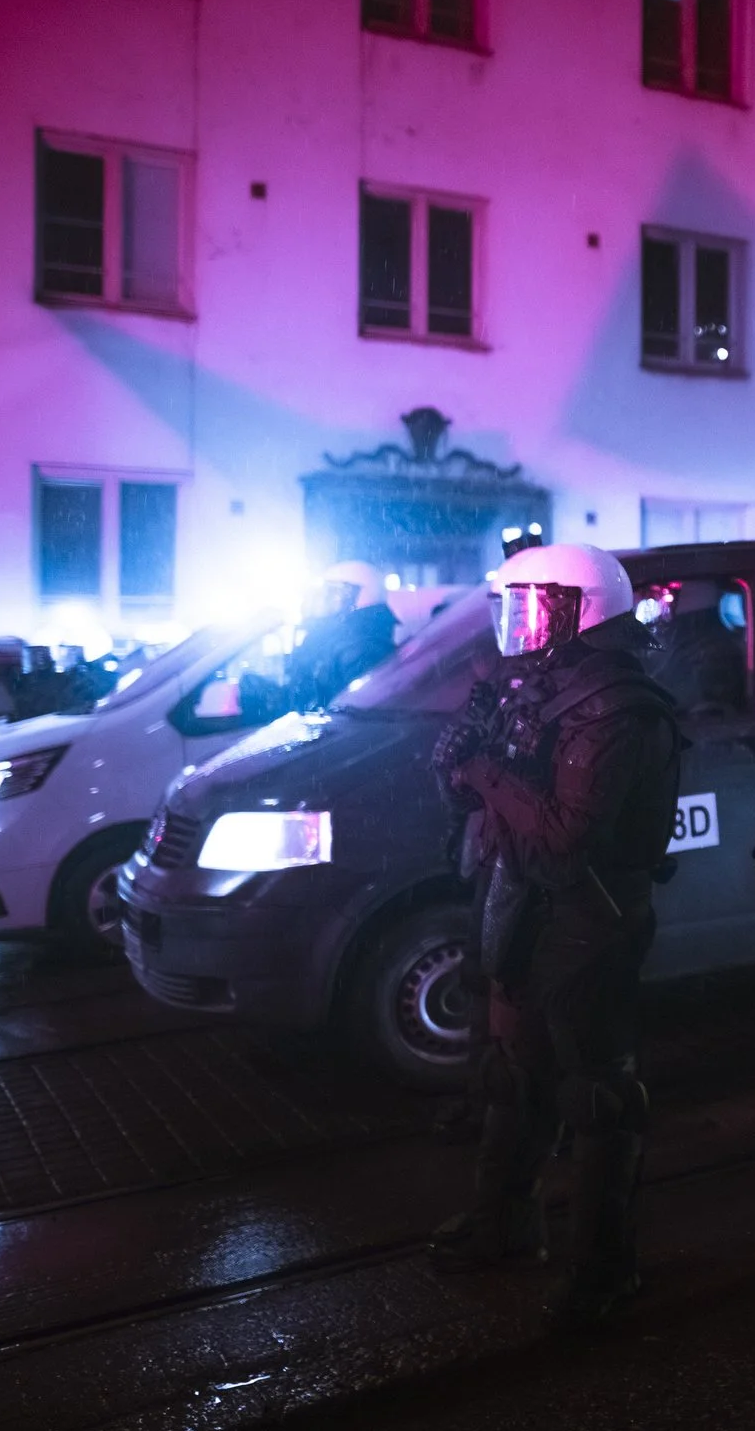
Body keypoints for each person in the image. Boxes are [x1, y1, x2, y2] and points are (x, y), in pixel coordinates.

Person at [426, 543, 685, 1331]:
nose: (521, 626)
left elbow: (567, 844)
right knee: (515, 1075)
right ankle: (507, 1222)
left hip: (586, 920)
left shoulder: (618, 707)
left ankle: (604, 1268)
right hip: (523, 904)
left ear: (584, 613)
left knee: (596, 1095)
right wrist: (465, 761)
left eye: (537, 606)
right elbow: (473, 792)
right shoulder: (542, 688)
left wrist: (485, 774)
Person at [285, 561, 402, 710]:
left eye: (332, 593)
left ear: (356, 596)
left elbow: (358, 712)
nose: (322, 601)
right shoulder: (332, 638)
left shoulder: (361, 648)